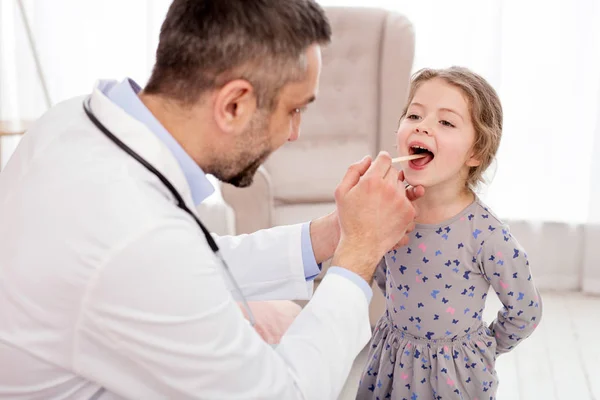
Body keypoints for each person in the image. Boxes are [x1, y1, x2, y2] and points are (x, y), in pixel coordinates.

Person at [0, 1, 424, 399]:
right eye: (294, 110)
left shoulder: (71, 121)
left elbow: (184, 260)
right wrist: (359, 254)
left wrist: (330, 236)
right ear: (234, 104)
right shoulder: (134, 235)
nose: (294, 133)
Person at [356, 67, 543, 400]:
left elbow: (525, 310)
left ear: (475, 153)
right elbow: (381, 271)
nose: (422, 125)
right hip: (391, 361)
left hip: (456, 376)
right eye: (414, 114)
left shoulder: (488, 236)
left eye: (446, 122)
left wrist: (483, 348)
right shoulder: (389, 209)